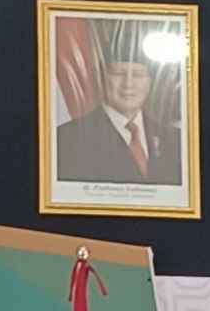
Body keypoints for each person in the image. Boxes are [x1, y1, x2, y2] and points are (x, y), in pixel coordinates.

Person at [54, 19, 185, 186]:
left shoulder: (176, 139)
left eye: (137, 74)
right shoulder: (67, 138)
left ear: (150, 82)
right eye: (118, 73)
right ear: (103, 78)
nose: (128, 84)